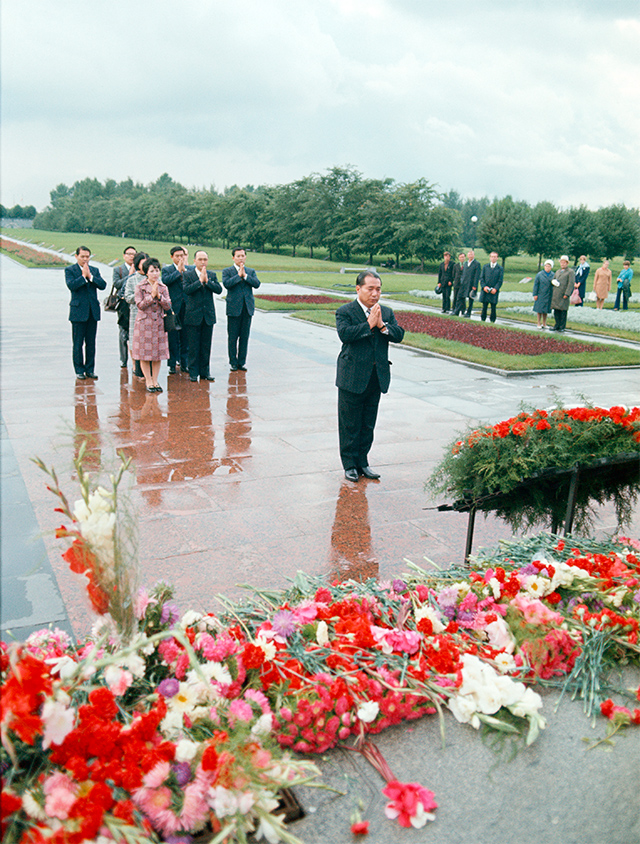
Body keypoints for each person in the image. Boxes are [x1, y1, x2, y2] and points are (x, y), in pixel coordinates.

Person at [335, 270, 404, 482]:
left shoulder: (386, 312)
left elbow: (399, 334)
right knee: (350, 424)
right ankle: (349, 465)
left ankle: (363, 462)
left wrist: (382, 325)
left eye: (378, 289)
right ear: (358, 289)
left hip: (376, 376)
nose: (375, 294)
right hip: (352, 376)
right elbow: (345, 334)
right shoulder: (345, 311)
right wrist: (368, 325)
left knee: (367, 424)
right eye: (370, 289)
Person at [64, 246, 106, 380]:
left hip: (92, 311)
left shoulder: (94, 270)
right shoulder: (70, 270)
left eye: (87, 256)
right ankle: (79, 370)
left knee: (91, 343)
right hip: (78, 312)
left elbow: (102, 285)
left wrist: (91, 277)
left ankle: (90, 369)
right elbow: (72, 285)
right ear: (76, 256)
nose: (85, 259)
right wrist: (83, 277)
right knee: (78, 343)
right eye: (82, 256)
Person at [131, 258, 171, 393]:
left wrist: (159, 296)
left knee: (157, 354)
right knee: (144, 354)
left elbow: (168, 305)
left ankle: (155, 379)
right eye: (152, 271)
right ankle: (148, 379)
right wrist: (151, 296)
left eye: (157, 270)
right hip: (144, 324)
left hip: (159, 323)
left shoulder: (163, 287)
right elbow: (140, 305)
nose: (155, 273)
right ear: (146, 273)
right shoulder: (140, 287)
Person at [183, 250, 222, 382]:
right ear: (194, 261)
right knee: (193, 346)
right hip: (193, 315)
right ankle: (193, 372)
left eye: (205, 259)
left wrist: (207, 282)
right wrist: (199, 282)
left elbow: (219, 289)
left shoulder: (211, 274)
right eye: (200, 259)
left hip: (208, 315)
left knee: (206, 345)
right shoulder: (188, 275)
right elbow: (187, 290)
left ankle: (205, 372)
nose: (203, 262)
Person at [222, 248, 261, 371]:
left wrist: (245, 276)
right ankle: (233, 362)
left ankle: (241, 362)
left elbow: (257, 284)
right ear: (233, 258)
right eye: (238, 256)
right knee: (233, 337)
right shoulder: (227, 271)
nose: (241, 258)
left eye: (243, 256)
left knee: (244, 337)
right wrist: (239, 277)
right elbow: (227, 284)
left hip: (247, 308)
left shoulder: (250, 271)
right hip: (234, 308)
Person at [162, 246, 189, 373]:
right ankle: (172, 364)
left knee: (186, 336)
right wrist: (178, 271)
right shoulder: (167, 270)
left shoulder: (189, 269)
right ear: (172, 257)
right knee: (172, 337)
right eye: (177, 256)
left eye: (182, 255)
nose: (180, 258)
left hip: (187, 307)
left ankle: (185, 363)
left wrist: (184, 270)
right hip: (173, 307)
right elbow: (166, 281)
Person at [124, 252, 149, 377]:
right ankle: (138, 369)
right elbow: (128, 297)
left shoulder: (154, 278)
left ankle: (149, 373)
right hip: (137, 314)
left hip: (152, 317)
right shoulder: (132, 279)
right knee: (137, 342)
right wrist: (142, 297)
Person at [113, 245, 137, 368]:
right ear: (124, 255)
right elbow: (116, 284)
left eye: (133, 254)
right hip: (123, 305)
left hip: (135, 305)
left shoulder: (140, 268)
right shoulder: (119, 270)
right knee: (123, 332)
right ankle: (123, 359)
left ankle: (135, 359)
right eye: (129, 254)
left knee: (134, 332)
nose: (131, 256)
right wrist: (130, 276)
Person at [452, 249, 481, 317]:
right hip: (464, 283)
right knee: (460, 297)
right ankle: (456, 311)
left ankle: (468, 313)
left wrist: (475, 286)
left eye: (472, 254)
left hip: (471, 284)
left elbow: (477, 276)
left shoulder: (477, 264)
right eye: (469, 254)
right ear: (467, 255)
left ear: (473, 255)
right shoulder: (465, 263)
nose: (470, 256)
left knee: (470, 299)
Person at [550, 255, 575, 331]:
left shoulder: (570, 272)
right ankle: (556, 325)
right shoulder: (558, 271)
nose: (562, 264)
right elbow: (554, 279)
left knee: (563, 311)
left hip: (563, 294)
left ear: (567, 263)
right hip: (556, 293)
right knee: (556, 310)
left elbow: (571, 283)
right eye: (561, 262)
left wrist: (567, 294)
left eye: (564, 262)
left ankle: (562, 326)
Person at [478, 251, 504, 323]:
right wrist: (484, 287)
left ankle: (492, 320)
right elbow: (481, 278)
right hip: (485, 289)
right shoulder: (485, 267)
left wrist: (495, 288)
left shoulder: (500, 268)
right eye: (492, 257)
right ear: (490, 257)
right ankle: (483, 319)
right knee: (484, 306)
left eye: (495, 257)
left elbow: (500, 280)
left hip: (494, 290)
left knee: (493, 306)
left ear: (497, 258)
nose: (493, 258)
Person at [532, 260, 554, 328]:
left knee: (546, 310)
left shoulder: (553, 275)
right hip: (540, 294)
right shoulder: (539, 274)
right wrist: (535, 294)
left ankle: (544, 323)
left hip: (549, 294)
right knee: (539, 309)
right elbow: (536, 285)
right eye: (546, 266)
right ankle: (538, 323)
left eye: (549, 266)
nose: (547, 267)